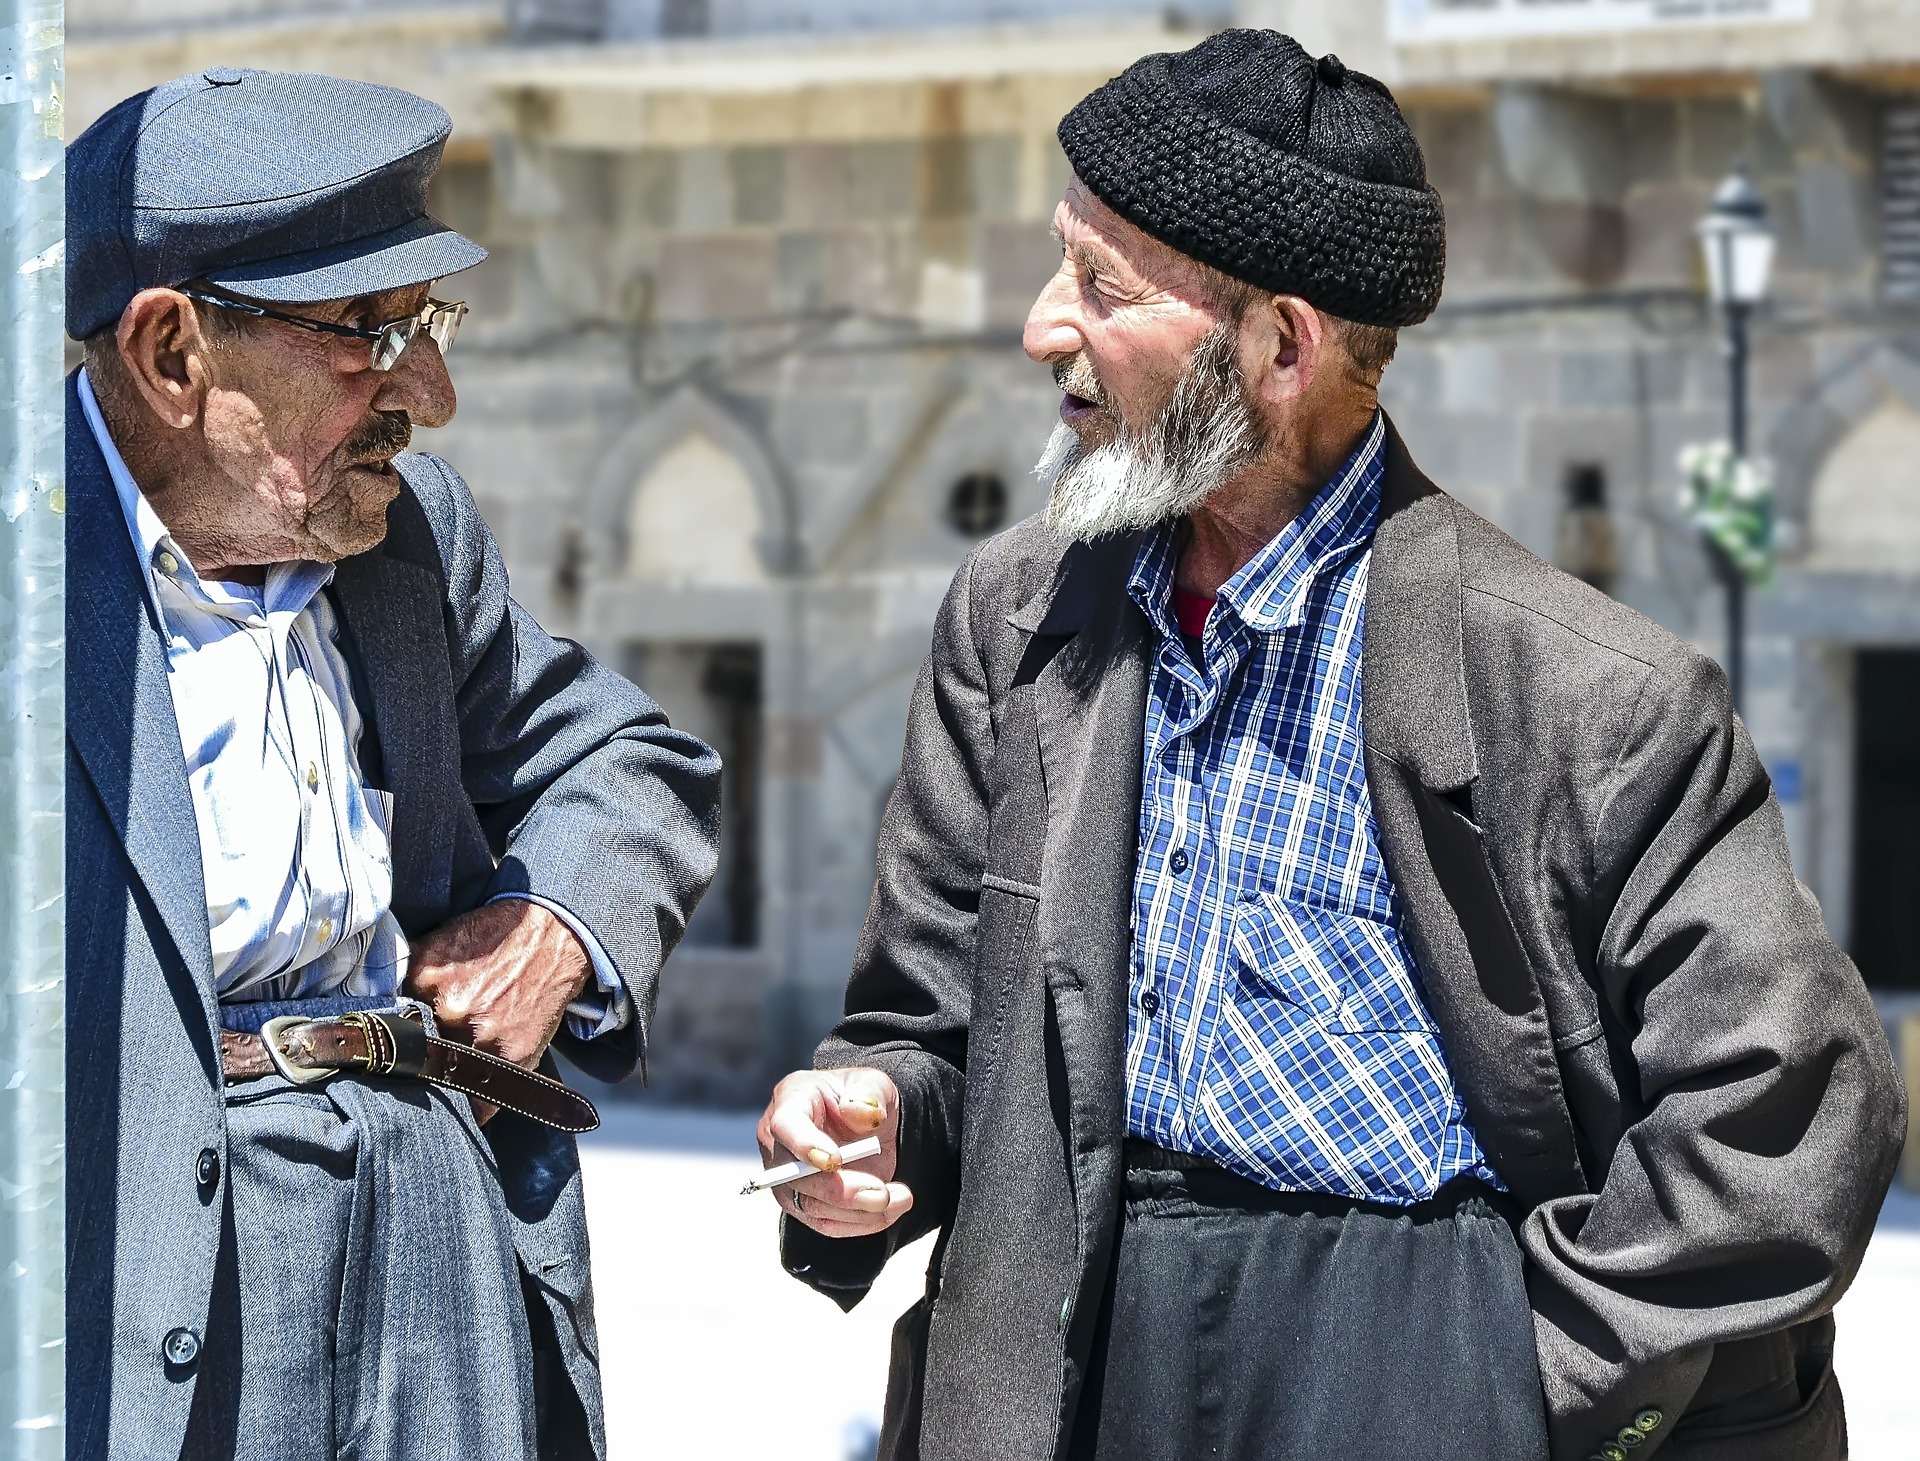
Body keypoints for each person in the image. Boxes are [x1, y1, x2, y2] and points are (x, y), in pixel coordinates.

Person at [758, 30, 1904, 1461]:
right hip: (1079, 1349)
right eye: (1063, 262)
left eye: (1102, 285)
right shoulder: (1018, 618)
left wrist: (1512, 1374)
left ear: (1281, 346)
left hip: (1414, 1347)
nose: (1046, 324)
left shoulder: (1596, 695)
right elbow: (925, 1024)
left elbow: (1789, 1103)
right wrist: (871, 1118)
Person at [66, 69, 721, 1461]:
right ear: (173, 352)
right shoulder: (30, 594)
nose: (433, 392)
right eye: (371, 334)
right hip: (145, 1275)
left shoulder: (405, 541)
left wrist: (557, 926)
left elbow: (631, 757)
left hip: (435, 1238)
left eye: (427, 325)